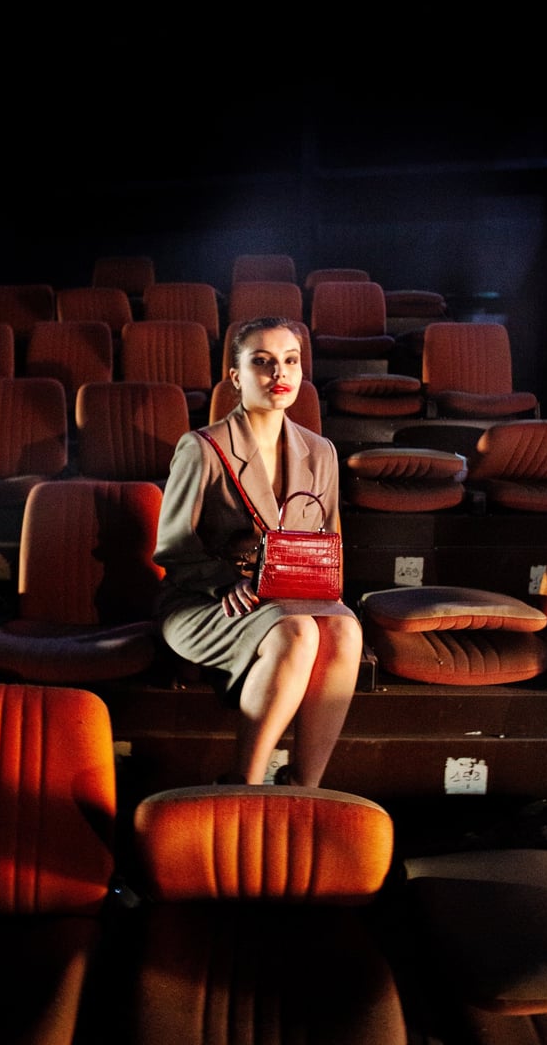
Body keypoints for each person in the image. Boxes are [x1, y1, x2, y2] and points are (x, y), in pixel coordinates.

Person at [153, 316, 362, 787]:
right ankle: (243, 787)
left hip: (288, 598)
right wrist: (224, 581)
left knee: (345, 629)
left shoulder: (321, 452)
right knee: (296, 633)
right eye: (262, 362)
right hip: (206, 602)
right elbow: (173, 548)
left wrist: (327, 600)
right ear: (236, 376)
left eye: (290, 361)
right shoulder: (202, 447)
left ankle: (304, 786)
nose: (279, 373)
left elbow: (328, 540)